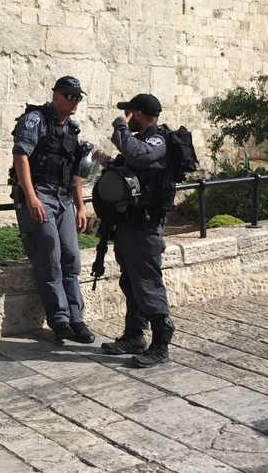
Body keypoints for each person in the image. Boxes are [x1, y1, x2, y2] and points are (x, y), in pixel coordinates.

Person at [11, 76, 95, 344]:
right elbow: (20, 156)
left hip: (63, 199)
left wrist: (81, 207)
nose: (75, 102)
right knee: (50, 256)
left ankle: (76, 318)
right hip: (40, 194)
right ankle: (59, 319)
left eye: (78, 98)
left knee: (71, 258)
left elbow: (76, 172)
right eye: (70, 96)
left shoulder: (72, 129)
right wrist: (31, 197)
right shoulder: (35, 120)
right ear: (56, 95)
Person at [98, 93, 174, 368]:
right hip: (130, 224)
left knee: (147, 284)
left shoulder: (157, 140)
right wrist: (107, 162)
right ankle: (134, 335)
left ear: (138, 114)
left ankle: (161, 343)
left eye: (129, 113)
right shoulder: (141, 141)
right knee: (131, 283)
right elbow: (131, 169)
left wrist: (120, 126)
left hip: (145, 226)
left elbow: (138, 156)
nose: (126, 117)